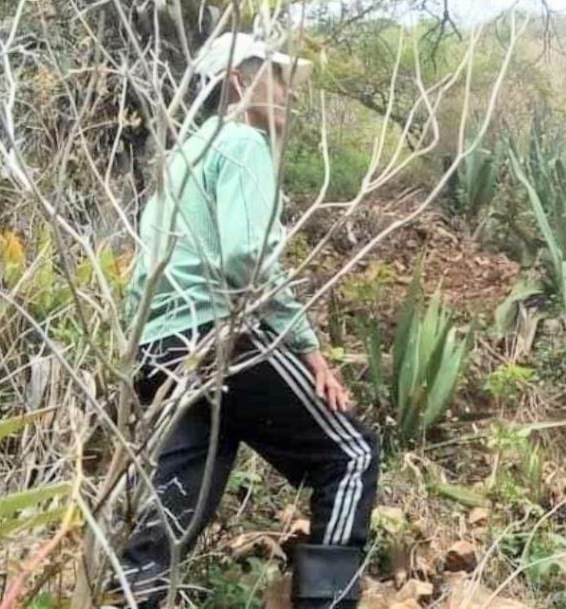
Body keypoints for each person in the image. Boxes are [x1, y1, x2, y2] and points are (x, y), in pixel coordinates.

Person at [119, 32, 378, 609]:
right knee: (351, 454)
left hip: (158, 347)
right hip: (218, 336)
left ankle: (134, 596)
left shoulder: (183, 154)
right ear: (240, 81)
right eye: (279, 78)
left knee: (176, 503)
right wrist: (309, 347)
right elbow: (244, 257)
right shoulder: (242, 141)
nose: (288, 93)